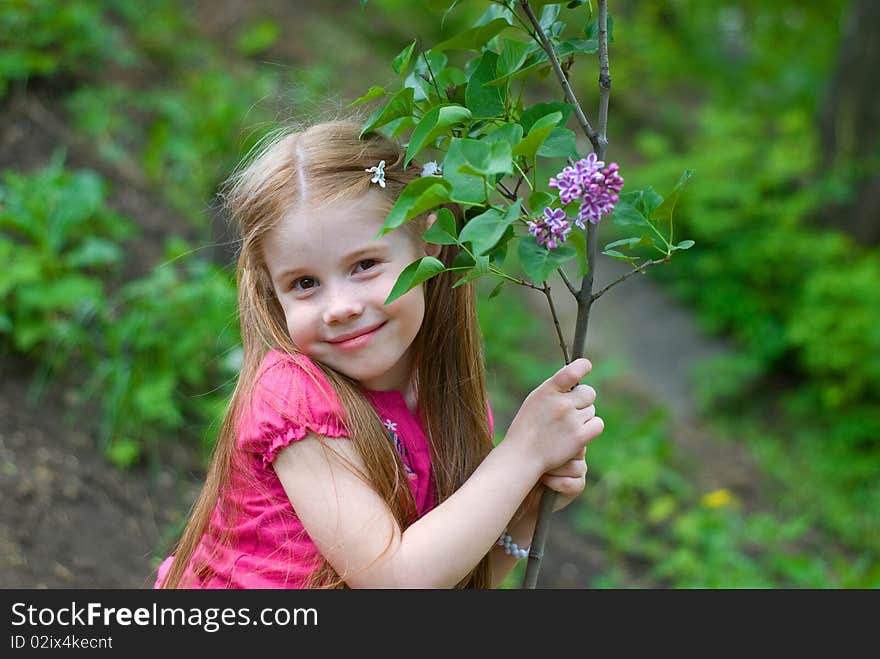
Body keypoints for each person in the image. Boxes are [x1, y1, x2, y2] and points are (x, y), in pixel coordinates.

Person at [154, 118, 604, 589]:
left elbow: (451, 583)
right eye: (305, 284)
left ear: (429, 243)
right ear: (273, 290)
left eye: (365, 265)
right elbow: (396, 582)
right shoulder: (295, 400)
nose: (340, 308)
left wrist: (524, 515)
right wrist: (520, 454)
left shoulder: (443, 408)